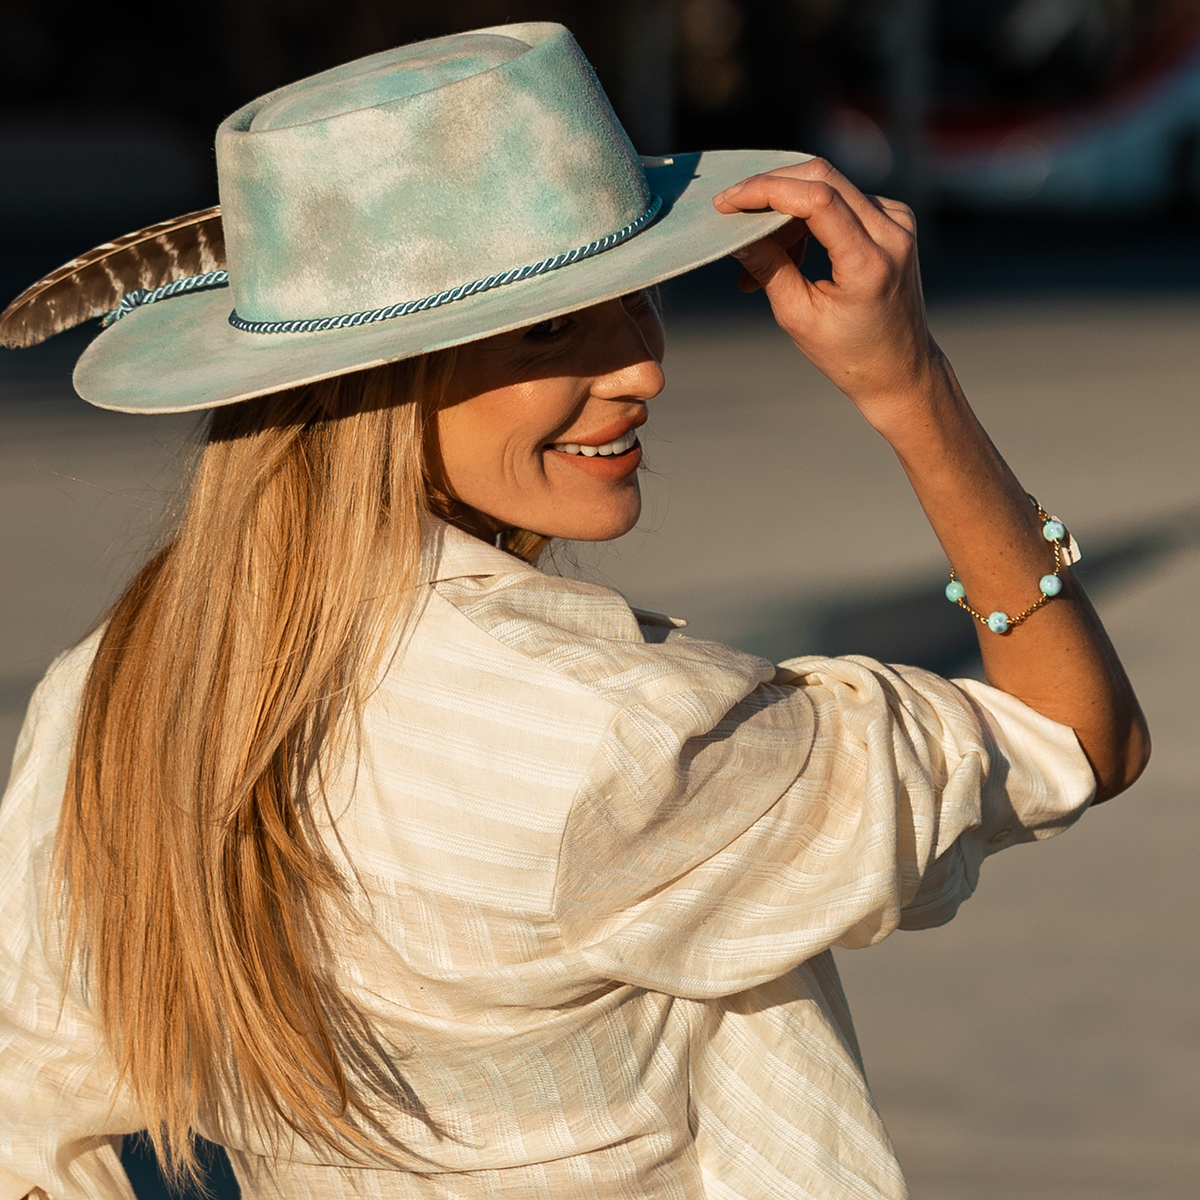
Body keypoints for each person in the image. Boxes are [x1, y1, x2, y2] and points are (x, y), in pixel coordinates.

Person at [0, 21, 1147, 1200]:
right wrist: (911, 389)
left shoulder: (110, 689)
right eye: (552, 327)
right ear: (378, 383)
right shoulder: (627, 741)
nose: (642, 365)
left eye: (632, 295)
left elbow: (34, 1125)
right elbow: (1076, 739)